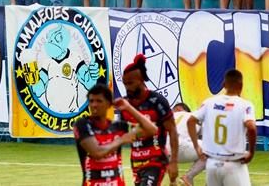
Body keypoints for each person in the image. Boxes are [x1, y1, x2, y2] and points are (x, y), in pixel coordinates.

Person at [74, 83, 157, 186]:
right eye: (91, 101)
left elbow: (152, 129)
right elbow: (96, 152)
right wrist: (121, 140)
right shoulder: (82, 124)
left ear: (109, 104)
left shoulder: (118, 126)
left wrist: (128, 107)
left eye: (99, 101)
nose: (94, 105)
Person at [187, 68, 256, 186]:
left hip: (212, 164)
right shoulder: (245, 105)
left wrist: (197, 147)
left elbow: (190, 121)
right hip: (234, 164)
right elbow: (251, 127)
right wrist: (251, 152)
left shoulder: (209, 103)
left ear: (224, 84)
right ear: (241, 85)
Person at [119, 54, 180, 186]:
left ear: (141, 80)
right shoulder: (125, 105)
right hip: (135, 161)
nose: (127, 87)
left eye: (130, 83)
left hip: (156, 159)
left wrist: (174, 161)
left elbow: (172, 130)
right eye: (125, 84)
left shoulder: (157, 101)